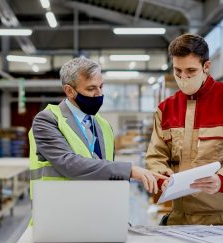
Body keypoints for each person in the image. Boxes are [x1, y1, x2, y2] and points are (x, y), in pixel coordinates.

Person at [29, 57, 167, 196]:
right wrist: (130, 170)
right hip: (58, 209)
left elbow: (105, 171)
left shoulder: (103, 125)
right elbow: (69, 164)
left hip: (95, 208)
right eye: (91, 88)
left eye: (101, 87)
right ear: (69, 91)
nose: (99, 94)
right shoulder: (47, 120)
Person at [146, 33, 223, 225]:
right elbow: (156, 156)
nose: (183, 78)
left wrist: (221, 181)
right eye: (177, 71)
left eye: (190, 71)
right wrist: (162, 176)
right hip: (179, 218)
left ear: (206, 67)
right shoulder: (166, 108)